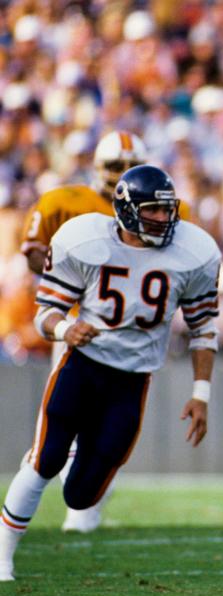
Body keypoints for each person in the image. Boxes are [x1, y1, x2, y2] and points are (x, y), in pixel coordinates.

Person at [0, 165, 220, 581]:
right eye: (152, 210)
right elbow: (47, 313)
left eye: (166, 210)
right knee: (44, 459)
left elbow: (204, 327)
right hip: (81, 366)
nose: (163, 219)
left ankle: (72, 456)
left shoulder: (193, 252)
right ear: (127, 209)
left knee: (81, 496)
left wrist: (201, 393)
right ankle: (2, 558)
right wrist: (68, 328)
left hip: (132, 381)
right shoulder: (84, 240)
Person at [18, 130, 191, 533]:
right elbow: (33, 254)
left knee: (109, 433)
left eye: (130, 166)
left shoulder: (157, 207)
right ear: (98, 167)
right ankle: (39, 518)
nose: (123, 173)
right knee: (59, 433)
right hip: (76, 327)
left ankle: (83, 515)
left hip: (127, 336)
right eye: (115, 166)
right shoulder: (65, 201)